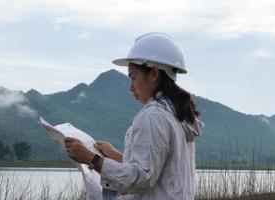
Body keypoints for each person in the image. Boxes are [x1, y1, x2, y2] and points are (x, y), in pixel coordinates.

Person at [65, 32, 203, 200]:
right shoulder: (175, 114)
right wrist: (115, 154)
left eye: (133, 77)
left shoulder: (154, 116)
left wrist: (91, 158)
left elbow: (141, 178)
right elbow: (154, 167)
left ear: (153, 74)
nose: (131, 87)